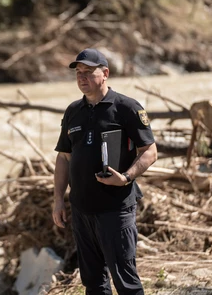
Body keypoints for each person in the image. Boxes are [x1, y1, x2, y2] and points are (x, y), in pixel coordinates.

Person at [52, 48, 158, 295]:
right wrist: (58, 199)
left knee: (126, 282)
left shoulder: (126, 108)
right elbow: (64, 157)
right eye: (78, 73)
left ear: (105, 73)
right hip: (81, 210)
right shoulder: (73, 111)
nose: (82, 77)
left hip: (115, 209)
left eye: (88, 71)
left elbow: (150, 151)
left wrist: (126, 178)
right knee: (94, 283)